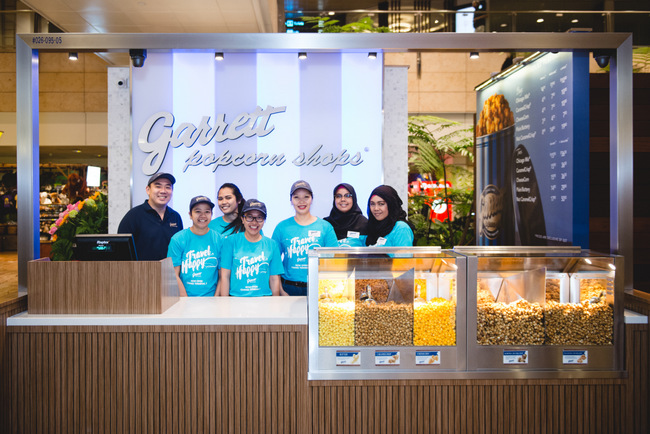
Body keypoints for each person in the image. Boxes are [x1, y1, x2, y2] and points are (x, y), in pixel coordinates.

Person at [272, 180, 338, 296]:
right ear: (291, 200)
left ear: (312, 199)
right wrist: (280, 291)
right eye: (296, 197)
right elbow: (274, 263)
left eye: (306, 197)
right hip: (288, 288)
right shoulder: (281, 227)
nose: (301, 201)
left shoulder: (325, 227)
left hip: (318, 289)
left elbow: (334, 261)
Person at [219, 199, 284, 297]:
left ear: (264, 221)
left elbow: (274, 279)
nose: (254, 222)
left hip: (264, 302)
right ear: (242, 219)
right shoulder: (231, 241)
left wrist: (275, 305)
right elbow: (225, 276)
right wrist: (224, 304)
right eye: (249, 217)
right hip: (236, 301)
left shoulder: (272, 245)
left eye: (259, 218)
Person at [118, 172, 183, 260]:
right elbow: (122, 251)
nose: (163, 191)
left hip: (170, 272)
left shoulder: (175, 216)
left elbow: (180, 249)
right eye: (158, 186)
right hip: (142, 272)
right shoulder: (133, 216)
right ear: (148, 190)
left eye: (168, 187)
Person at [167, 196, 223, 297]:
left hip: (211, 300)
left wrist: (215, 300)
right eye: (198, 211)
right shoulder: (178, 239)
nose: (203, 216)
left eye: (207, 212)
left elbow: (222, 276)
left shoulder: (219, 240)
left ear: (211, 214)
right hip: (184, 299)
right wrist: (186, 301)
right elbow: (173, 274)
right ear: (190, 215)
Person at [324, 183, 368, 247]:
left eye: (347, 196)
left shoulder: (364, 223)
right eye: (338, 196)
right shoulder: (326, 224)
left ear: (353, 199)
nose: (343, 199)